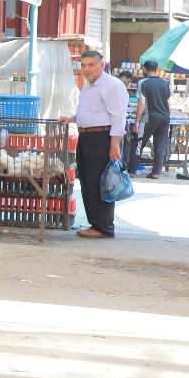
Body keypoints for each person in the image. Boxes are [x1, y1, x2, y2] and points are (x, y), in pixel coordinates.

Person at [73, 50, 129, 239]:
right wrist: (72, 119)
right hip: (87, 137)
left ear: (101, 65)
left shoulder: (111, 85)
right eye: (83, 65)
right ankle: (95, 223)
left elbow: (118, 116)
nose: (86, 69)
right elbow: (93, 112)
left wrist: (114, 144)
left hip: (102, 138)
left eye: (91, 65)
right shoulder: (89, 85)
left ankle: (104, 226)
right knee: (88, 181)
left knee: (101, 182)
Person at [135, 60, 172, 179]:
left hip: (149, 117)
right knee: (160, 145)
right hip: (165, 117)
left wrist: (137, 121)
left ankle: (131, 170)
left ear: (145, 69)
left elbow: (141, 103)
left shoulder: (143, 82)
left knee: (139, 143)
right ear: (156, 69)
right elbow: (168, 103)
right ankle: (156, 172)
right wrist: (168, 116)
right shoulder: (165, 83)